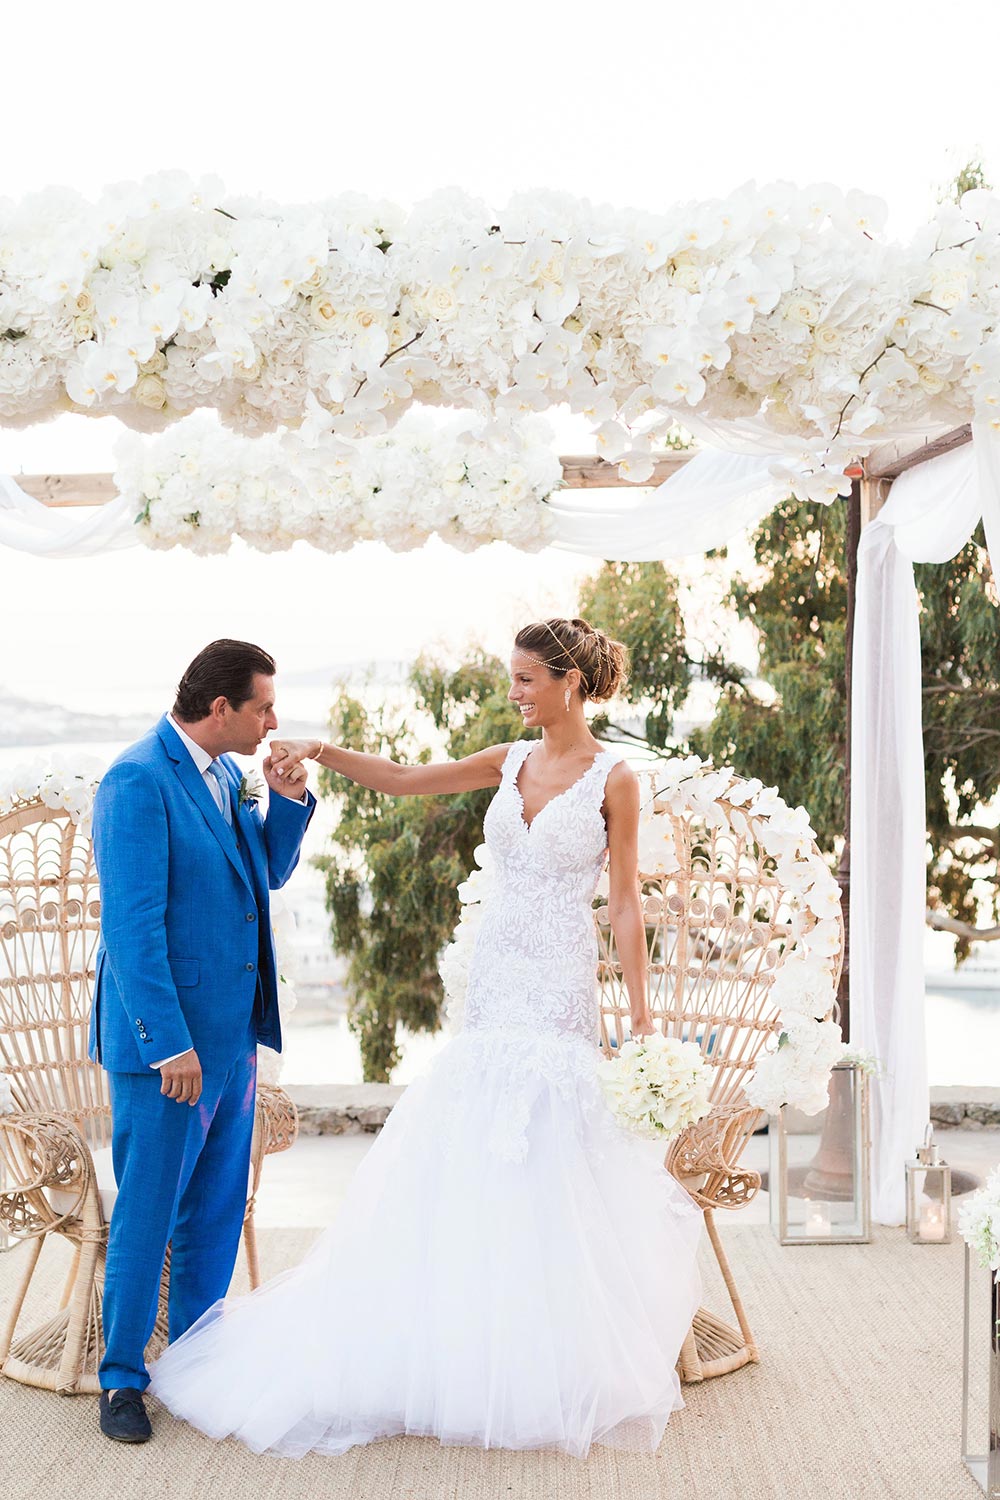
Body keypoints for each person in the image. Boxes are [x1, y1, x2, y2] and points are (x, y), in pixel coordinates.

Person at [149, 617, 702, 1459]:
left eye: (524, 679)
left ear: (568, 682)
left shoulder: (617, 781)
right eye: (511, 679)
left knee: (554, 1153)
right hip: (495, 988)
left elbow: (623, 905)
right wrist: (324, 754)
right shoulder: (507, 761)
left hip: (556, 988)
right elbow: (405, 778)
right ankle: (452, 1335)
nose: (512, 693)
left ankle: (541, 1351)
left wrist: (642, 1020)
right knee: (469, 1146)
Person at [90, 639, 315, 1443]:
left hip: (234, 1038)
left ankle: (193, 1362)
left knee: (216, 1212)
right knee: (148, 1213)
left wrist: (285, 802)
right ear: (220, 708)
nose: (272, 721)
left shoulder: (225, 775)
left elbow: (266, 875)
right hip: (168, 1052)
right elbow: (131, 930)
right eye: (262, 707)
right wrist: (166, 1045)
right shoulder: (135, 781)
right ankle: (120, 1382)